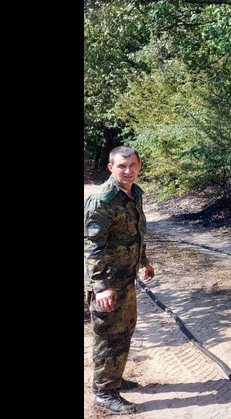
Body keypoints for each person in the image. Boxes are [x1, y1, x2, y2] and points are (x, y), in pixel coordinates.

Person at [84, 146, 155, 415]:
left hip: (126, 278)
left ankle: (115, 379)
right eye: (122, 166)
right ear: (110, 167)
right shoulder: (103, 199)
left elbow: (135, 233)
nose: (128, 171)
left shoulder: (133, 193)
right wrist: (101, 286)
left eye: (133, 165)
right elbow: (91, 246)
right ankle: (103, 392)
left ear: (139, 166)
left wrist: (144, 262)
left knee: (124, 330)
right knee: (107, 335)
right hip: (108, 283)